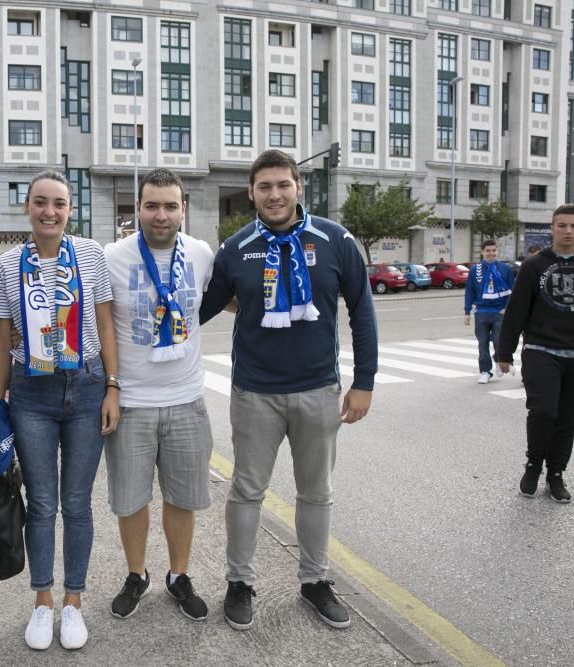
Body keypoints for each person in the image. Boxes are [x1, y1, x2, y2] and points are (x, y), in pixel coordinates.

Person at [199, 150, 378, 631]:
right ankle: (239, 582)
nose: (274, 195)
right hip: (255, 393)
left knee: (316, 493)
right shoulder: (235, 248)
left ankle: (315, 581)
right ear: (252, 193)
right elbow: (198, 310)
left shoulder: (336, 240)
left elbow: (362, 311)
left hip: (318, 390)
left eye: (283, 185)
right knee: (246, 491)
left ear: (299, 187)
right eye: (264, 187)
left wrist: (364, 383)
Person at [0, 170, 120, 652]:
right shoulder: (5, 266)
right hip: (31, 393)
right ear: (27, 207)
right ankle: (42, 601)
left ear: (70, 209)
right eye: (40, 202)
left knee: (78, 504)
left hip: (86, 387)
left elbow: (105, 324)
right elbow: (2, 340)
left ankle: (73, 602)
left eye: (59, 203)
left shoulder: (91, 255)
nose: (50, 211)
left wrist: (112, 386)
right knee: (42, 503)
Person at [103, 169, 215, 622]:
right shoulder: (112, 257)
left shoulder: (203, 254)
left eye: (171, 206)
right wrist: (109, 387)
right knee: (131, 500)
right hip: (131, 401)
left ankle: (178, 575)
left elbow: (233, 297)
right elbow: (99, 322)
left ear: (183, 208)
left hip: (187, 398)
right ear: (138, 209)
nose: (162, 215)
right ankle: (136, 574)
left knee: (183, 497)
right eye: (152, 206)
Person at [498, 204, 574, 503]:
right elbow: (516, 310)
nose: (568, 231)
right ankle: (534, 465)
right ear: (552, 228)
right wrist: (505, 351)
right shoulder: (534, 265)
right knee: (544, 411)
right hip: (541, 350)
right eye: (562, 225)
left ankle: (556, 474)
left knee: (568, 419)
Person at [464, 239, 514, 384]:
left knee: (499, 340)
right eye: (488, 251)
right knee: (483, 343)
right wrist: (467, 312)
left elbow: (513, 290)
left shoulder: (505, 269)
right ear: (482, 252)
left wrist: (507, 308)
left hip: (500, 311)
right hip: (481, 312)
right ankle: (485, 371)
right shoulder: (475, 270)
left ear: (497, 251)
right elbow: (469, 292)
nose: (491, 253)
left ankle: (499, 360)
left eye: (493, 250)